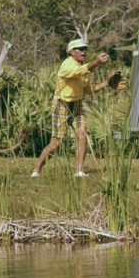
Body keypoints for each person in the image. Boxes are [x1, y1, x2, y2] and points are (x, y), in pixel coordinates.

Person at [32, 38, 111, 178]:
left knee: (82, 135)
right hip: (61, 105)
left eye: (85, 49)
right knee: (56, 143)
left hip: (76, 105)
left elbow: (88, 90)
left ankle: (79, 171)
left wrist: (106, 83)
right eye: (80, 49)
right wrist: (97, 63)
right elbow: (79, 71)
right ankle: (37, 169)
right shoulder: (67, 65)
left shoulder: (83, 68)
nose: (83, 51)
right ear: (71, 52)